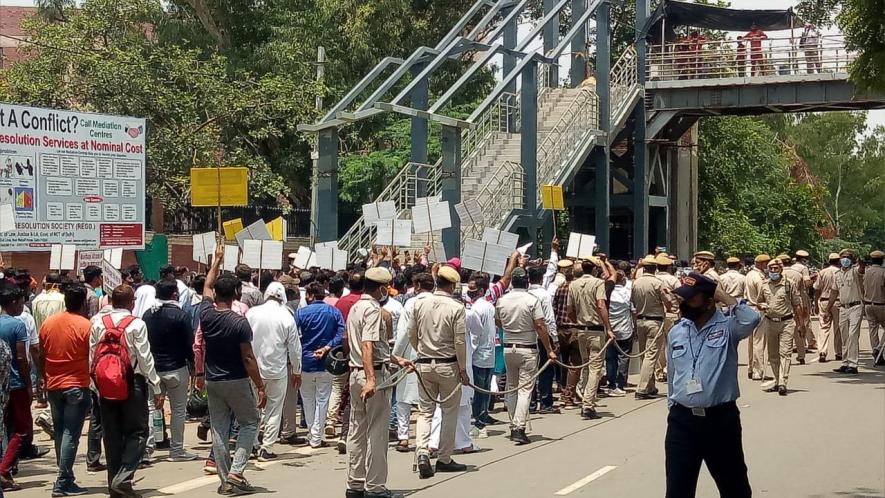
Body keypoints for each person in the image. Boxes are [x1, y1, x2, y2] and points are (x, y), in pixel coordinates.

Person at [664, 272, 760, 498]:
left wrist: (723, 296)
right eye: (683, 298)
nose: (684, 303)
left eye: (691, 298)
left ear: (708, 302)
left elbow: (752, 319)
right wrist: (673, 405)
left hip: (719, 421)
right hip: (682, 421)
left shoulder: (728, 328)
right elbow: (673, 374)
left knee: (734, 487)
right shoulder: (677, 331)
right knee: (677, 490)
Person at [199, 246, 266, 494]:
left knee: (219, 427)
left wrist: (216, 261)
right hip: (236, 379)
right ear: (237, 294)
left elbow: (206, 286)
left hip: (212, 379)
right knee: (250, 422)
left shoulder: (205, 313)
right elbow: (248, 357)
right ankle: (236, 472)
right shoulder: (239, 322)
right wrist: (260, 386)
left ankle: (226, 480)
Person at [345, 267, 413, 498]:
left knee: (356, 430)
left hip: (356, 372)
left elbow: (376, 347)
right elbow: (368, 345)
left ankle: (355, 484)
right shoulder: (373, 310)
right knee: (377, 433)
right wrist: (372, 379)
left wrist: (397, 359)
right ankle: (374, 487)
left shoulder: (355, 307)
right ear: (382, 288)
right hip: (371, 375)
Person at [89, 285, 162, 498]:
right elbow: (145, 358)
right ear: (131, 302)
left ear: (111, 301)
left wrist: (93, 385)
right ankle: (124, 478)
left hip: (104, 385)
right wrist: (156, 385)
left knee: (111, 435)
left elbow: (92, 355)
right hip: (133, 384)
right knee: (138, 432)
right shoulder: (137, 324)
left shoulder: (97, 322)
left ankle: (115, 485)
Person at [410, 265, 469, 478]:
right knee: (449, 412)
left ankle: (422, 451)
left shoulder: (419, 304)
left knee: (425, 412)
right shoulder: (456, 308)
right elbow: (459, 340)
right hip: (448, 364)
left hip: (424, 363)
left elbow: (412, 333)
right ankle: (444, 457)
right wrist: (462, 369)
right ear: (452, 285)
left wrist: (421, 351)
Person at [38, 283, 92, 496]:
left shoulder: (49, 324)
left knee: (60, 433)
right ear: (83, 303)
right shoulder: (85, 325)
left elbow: (41, 354)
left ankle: (66, 477)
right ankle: (62, 481)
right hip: (76, 385)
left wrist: (44, 378)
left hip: (54, 385)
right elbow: (92, 356)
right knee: (70, 433)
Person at [496, 267, 557, 443]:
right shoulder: (532, 300)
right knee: (524, 390)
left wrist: (508, 329)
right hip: (527, 347)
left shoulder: (502, 300)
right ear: (527, 282)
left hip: (509, 347)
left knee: (512, 386)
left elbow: (497, 319)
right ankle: (518, 426)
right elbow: (540, 325)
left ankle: (513, 422)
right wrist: (549, 348)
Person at [141, 279, 197, 461]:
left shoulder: (148, 314)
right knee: (178, 410)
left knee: (150, 409)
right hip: (176, 368)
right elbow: (189, 344)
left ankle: (146, 450)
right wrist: (193, 364)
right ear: (174, 294)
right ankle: (177, 450)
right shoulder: (180, 316)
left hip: (153, 370)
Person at [246, 281, 301, 461]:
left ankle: (252, 444)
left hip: (252, 369)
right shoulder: (287, 317)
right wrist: (297, 370)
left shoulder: (252, 313)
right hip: (277, 370)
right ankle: (266, 447)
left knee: (253, 408)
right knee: (274, 410)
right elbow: (294, 348)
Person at [296, 281, 345, 449]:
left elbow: (294, 335)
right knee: (322, 399)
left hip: (305, 360)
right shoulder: (334, 311)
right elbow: (341, 332)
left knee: (307, 399)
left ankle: (313, 433)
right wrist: (327, 346)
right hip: (327, 361)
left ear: (309, 295)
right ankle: (316, 435)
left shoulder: (301, 313)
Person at [567, 258, 614, 420]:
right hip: (595, 330)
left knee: (586, 365)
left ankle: (585, 399)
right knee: (595, 368)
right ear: (594, 269)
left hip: (581, 330)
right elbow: (601, 305)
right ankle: (588, 404)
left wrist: (576, 321)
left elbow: (569, 309)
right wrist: (608, 327)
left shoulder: (573, 284)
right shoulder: (598, 283)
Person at [391, 273, 432, 452]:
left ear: (416, 286)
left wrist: (395, 357)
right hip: (434, 354)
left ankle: (403, 436)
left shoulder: (411, 304)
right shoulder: (440, 302)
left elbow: (403, 334)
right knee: (430, 402)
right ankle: (430, 439)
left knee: (403, 399)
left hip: (411, 354)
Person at [0, 283, 33, 492]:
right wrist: (29, 384)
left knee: (4, 427)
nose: (23, 306)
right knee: (21, 429)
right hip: (16, 384)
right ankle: (3, 470)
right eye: (21, 302)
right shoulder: (17, 325)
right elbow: (21, 358)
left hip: (3, 385)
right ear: (13, 303)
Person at [757, 259, 804, 396]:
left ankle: (783, 381)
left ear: (781, 269)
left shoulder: (789, 284)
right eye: (770, 269)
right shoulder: (765, 285)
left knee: (785, 352)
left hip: (786, 322)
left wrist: (801, 324)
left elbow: (797, 305)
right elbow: (759, 301)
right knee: (773, 355)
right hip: (770, 322)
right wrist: (760, 306)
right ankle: (777, 381)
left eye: (776, 268)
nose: (773, 271)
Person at [464, 273, 499, 436]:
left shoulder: (477, 308)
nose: (470, 291)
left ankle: (479, 423)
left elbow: (475, 335)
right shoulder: (489, 306)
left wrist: (468, 350)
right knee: (483, 390)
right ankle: (482, 419)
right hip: (488, 353)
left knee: (479, 391)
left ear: (482, 290)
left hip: (479, 354)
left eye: (473, 289)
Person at [631, 256, 668, 400]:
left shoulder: (636, 283)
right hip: (655, 321)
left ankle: (650, 386)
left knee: (644, 355)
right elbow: (668, 301)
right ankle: (642, 389)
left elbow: (633, 301)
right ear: (655, 268)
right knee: (651, 356)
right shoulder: (658, 283)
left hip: (640, 320)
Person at [527, 265, 558, 413]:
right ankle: (546, 403)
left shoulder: (526, 294)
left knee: (531, 371)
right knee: (546, 370)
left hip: (528, 337)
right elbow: (549, 319)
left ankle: (531, 404)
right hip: (543, 336)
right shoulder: (544, 295)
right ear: (541, 278)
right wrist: (554, 338)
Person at [829, 250, 865, 375]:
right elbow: (834, 292)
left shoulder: (855, 271)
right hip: (843, 308)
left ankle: (853, 364)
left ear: (852, 260)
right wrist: (828, 308)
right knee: (844, 336)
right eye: (843, 257)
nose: (845, 260)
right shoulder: (837, 274)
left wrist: (860, 260)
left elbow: (861, 269)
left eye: (848, 258)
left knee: (853, 335)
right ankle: (845, 363)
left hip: (855, 306)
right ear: (839, 260)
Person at [552, 262, 581, 409]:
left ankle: (564, 389)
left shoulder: (560, 288)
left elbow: (555, 307)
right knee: (575, 364)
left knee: (564, 362)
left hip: (561, 328)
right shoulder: (576, 289)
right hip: (574, 328)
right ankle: (569, 396)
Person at [606, 269, 635, 396]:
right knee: (623, 357)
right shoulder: (626, 293)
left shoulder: (607, 294)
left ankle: (611, 383)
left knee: (610, 358)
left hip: (610, 329)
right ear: (623, 280)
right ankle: (621, 383)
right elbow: (633, 311)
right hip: (625, 329)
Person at [744, 254, 770, 379]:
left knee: (751, 341)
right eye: (766, 263)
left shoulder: (749, 275)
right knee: (759, 341)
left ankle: (750, 368)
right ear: (761, 263)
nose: (768, 266)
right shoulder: (759, 278)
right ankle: (758, 370)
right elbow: (763, 295)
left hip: (749, 308)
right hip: (758, 308)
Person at [814, 253, 843, 363]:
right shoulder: (840, 272)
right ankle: (839, 352)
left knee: (823, 327)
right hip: (837, 302)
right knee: (838, 328)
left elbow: (817, 289)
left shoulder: (822, 272)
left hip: (824, 301)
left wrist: (816, 304)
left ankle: (822, 351)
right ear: (838, 261)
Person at [863, 250, 884, 364]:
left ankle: (875, 349)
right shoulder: (883, 272)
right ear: (881, 260)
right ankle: (879, 348)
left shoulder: (867, 272)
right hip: (881, 305)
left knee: (873, 329)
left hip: (868, 305)